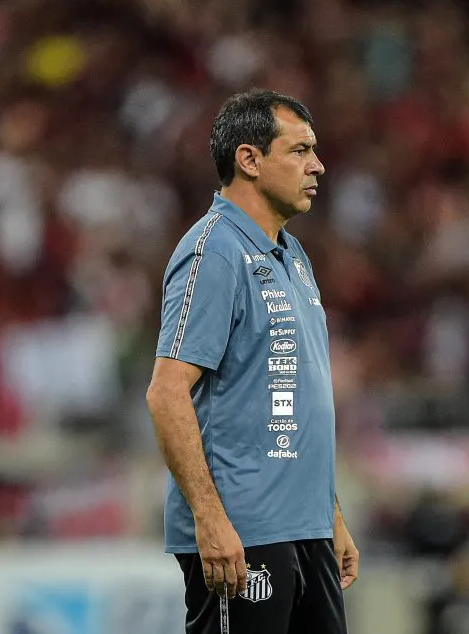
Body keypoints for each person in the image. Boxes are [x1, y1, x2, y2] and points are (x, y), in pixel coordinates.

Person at [146, 89, 359, 634]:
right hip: (244, 533)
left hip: (304, 531)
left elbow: (294, 398)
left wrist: (328, 516)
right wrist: (210, 518)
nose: (318, 165)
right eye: (299, 150)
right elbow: (167, 391)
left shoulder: (292, 255)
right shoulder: (212, 252)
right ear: (249, 159)